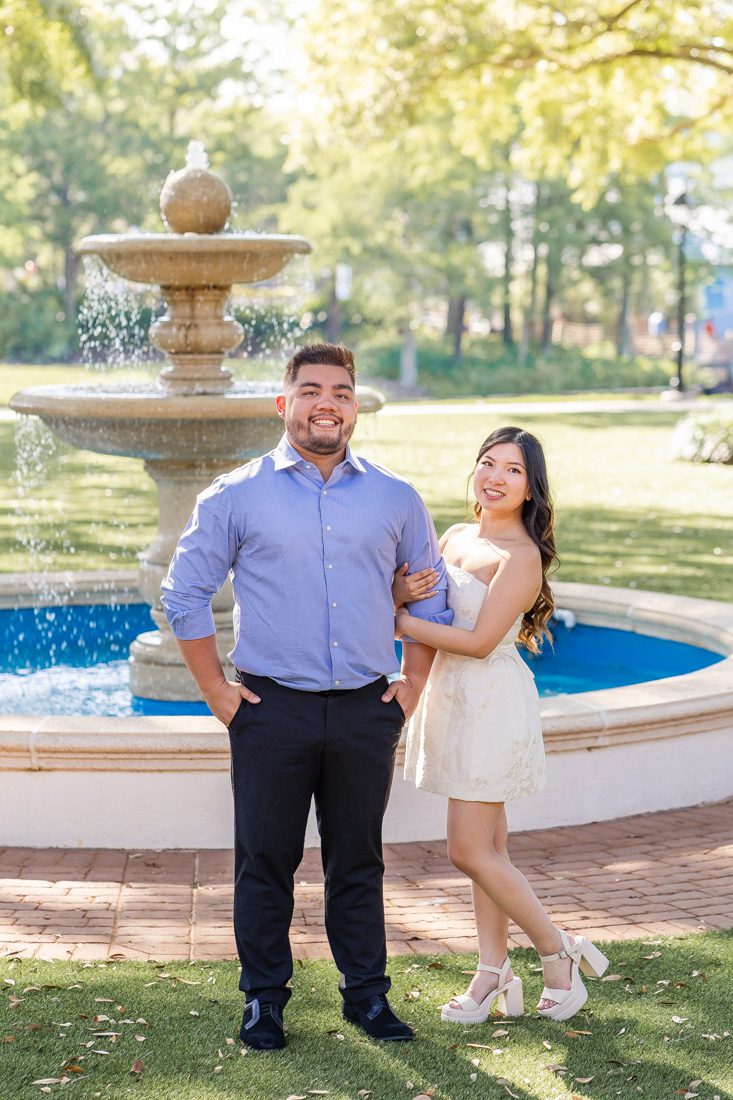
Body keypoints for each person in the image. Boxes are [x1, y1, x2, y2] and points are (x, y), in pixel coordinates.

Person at [160, 343, 451, 1050]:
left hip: (363, 708)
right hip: (269, 710)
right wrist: (216, 694)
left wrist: (411, 683)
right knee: (266, 860)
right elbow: (183, 594)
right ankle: (264, 999)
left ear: (354, 405)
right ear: (282, 402)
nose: (328, 403)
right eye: (312, 389)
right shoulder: (234, 495)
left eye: (342, 391)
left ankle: (367, 997)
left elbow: (432, 594)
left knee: (358, 859)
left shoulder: (394, 496)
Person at [394, 426, 608, 1023]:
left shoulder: (522, 558)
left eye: (512, 470)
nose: (494, 476)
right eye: (487, 463)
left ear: (531, 487)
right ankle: (492, 975)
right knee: (489, 848)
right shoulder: (456, 536)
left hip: (489, 705)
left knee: (467, 850)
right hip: (451, 700)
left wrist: (400, 623)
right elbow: (421, 599)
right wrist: (399, 596)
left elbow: (482, 642)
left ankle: (557, 950)